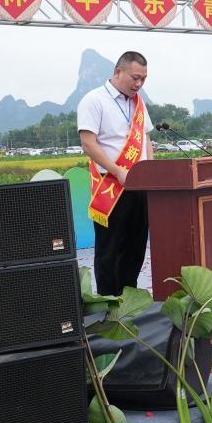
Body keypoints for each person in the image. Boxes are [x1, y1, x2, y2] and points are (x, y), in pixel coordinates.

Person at [77, 51, 155, 296]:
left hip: (140, 186)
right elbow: (89, 143)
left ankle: (128, 300)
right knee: (109, 250)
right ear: (118, 72)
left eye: (143, 79)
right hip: (111, 186)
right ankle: (109, 305)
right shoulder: (94, 100)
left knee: (136, 246)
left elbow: (146, 139)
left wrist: (150, 169)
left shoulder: (139, 103)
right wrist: (118, 170)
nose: (139, 84)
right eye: (135, 77)